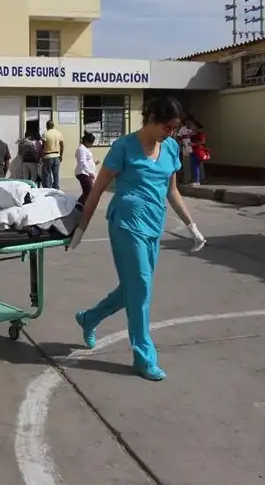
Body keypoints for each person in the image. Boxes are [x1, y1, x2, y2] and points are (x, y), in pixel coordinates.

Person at [69, 96, 206, 382]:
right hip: (126, 226)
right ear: (151, 117)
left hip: (154, 226)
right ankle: (144, 357)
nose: (170, 133)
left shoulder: (169, 147)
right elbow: (96, 190)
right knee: (141, 288)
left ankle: (90, 317)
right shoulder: (123, 147)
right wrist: (81, 228)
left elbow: (172, 190)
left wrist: (191, 225)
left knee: (133, 288)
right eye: (167, 127)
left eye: (173, 129)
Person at [74, 132, 98, 205]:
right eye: (91, 143)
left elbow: (86, 160)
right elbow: (82, 162)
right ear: (86, 142)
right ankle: (80, 205)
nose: (92, 145)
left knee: (87, 191)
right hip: (83, 173)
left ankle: (79, 204)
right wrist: (89, 172)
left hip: (85, 173)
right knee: (89, 191)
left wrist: (94, 162)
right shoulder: (82, 149)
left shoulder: (84, 149)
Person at [41, 120, 65, 189]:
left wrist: (42, 156)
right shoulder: (59, 133)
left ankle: (47, 188)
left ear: (47, 126)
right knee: (56, 173)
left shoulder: (45, 134)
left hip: (47, 156)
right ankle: (56, 188)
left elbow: (43, 146)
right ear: (53, 125)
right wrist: (61, 156)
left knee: (47, 174)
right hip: (57, 156)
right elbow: (62, 145)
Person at [188, 119, 208, 187]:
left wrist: (194, 144)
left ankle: (197, 180)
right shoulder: (191, 133)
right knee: (193, 166)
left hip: (197, 151)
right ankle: (194, 180)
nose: (191, 126)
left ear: (196, 127)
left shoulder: (200, 134)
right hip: (192, 151)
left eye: (193, 125)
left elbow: (203, 141)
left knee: (196, 166)